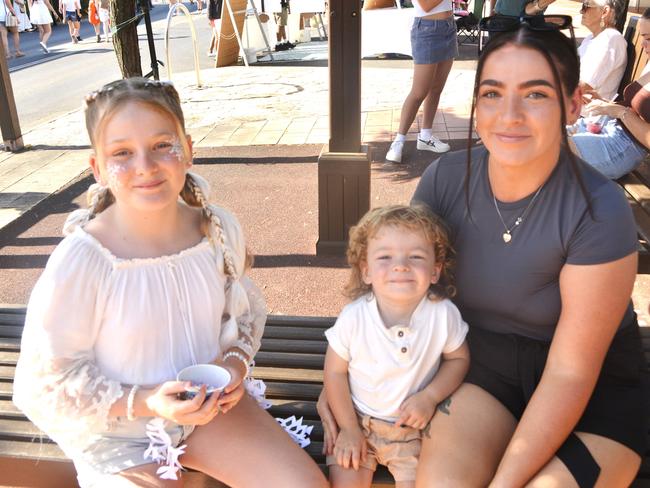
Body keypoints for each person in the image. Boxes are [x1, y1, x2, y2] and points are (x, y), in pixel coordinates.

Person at [320, 18, 647, 487]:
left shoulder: (599, 209)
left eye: (535, 94)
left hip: (592, 388)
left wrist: (505, 481)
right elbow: (392, 281)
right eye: (492, 93)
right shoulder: (446, 180)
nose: (508, 114)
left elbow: (571, 371)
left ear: (573, 104)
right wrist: (340, 379)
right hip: (481, 371)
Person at [12, 78, 329, 488]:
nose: (145, 165)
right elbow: (47, 380)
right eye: (122, 153)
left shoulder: (216, 229)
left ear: (189, 150)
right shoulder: (85, 260)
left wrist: (233, 364)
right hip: (120, 430)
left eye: (163, 145)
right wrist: (146, 401)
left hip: (211, 410)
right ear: (98, 168)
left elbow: (243, 313)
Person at [324, 205, 470, 488]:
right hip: (357, 421)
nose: (400, 265)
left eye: (416, 257)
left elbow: (459, 359)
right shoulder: (354, 317)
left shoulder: (443, 314)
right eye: (385, 257)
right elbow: (335, 373)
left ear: (435, 271)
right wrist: (349, 428)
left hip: (413, 429)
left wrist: (430, 397)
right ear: (366, 271)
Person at [571, 7, 650, 180]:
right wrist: (606, 104)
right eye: (643, 38)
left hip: (625, 147)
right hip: (608, 127)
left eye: (649, 39)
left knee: (549, 151)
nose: (644, 45)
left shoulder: (610, 40)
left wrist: (620, 112)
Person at [385, 0, 457, 163]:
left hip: (449, 26)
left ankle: (425, 136)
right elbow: (426, 5)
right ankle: (398, 141)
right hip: (427, 29)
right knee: (419, 92)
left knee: (436, 88)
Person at [576, 0, 627, 102]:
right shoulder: (592, 38)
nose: (581, 11)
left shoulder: (610, 40)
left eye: (586, 6)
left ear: (605, 12)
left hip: (586, 115)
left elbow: (583, 86)